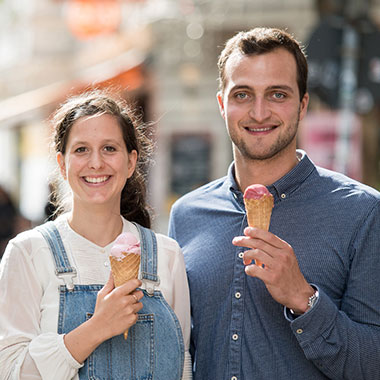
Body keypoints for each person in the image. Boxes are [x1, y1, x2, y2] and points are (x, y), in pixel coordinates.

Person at [168, 27, 380, 380]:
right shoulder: (187, 215)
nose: (259, 112)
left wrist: (304, 299)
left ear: (303, 104)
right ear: (222, 104)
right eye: (242, 95)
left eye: (277, 94)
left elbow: (373, 364)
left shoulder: (362, 212)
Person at [0, 90, 192, 379]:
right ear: (62, 164)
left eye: (109, 149)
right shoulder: (28, 253)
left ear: (130, 162)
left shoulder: (167, 254)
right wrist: (96, 328)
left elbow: (183, 364)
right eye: (81, 150)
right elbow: (10, 370)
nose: (96, 163)